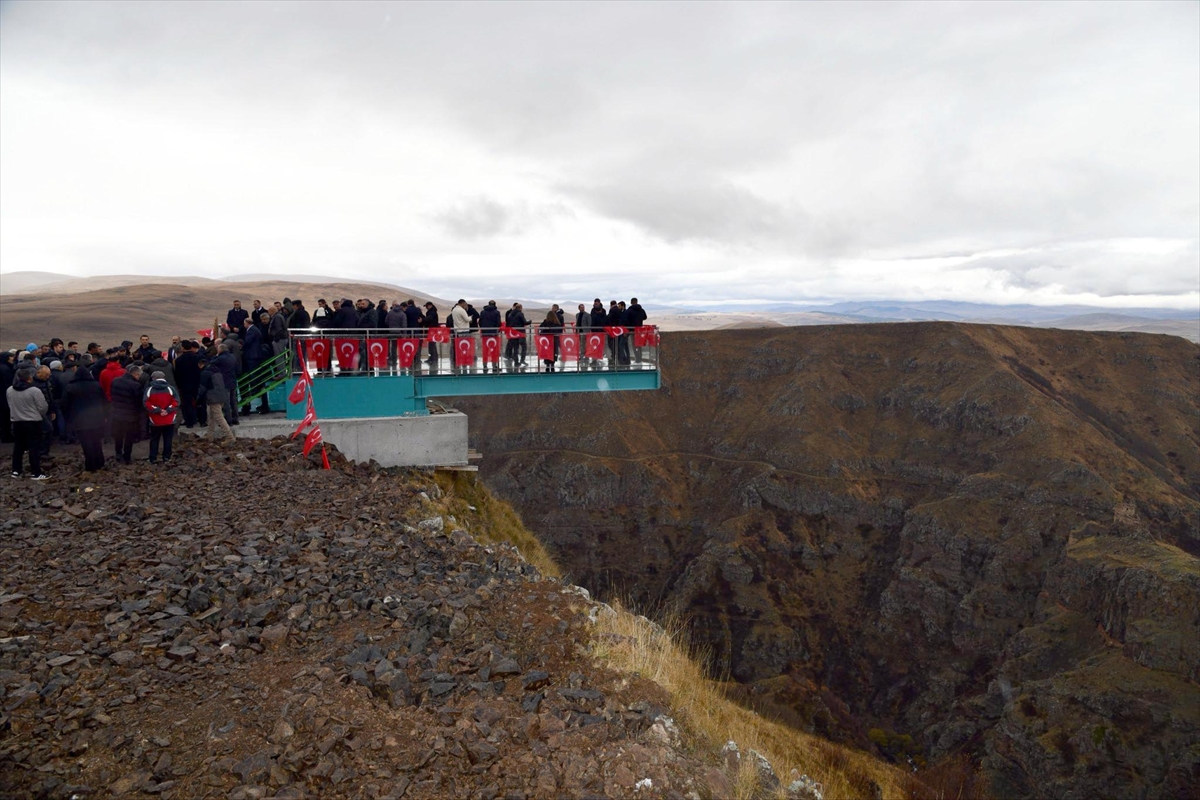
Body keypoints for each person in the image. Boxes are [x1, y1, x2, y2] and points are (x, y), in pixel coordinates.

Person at [62, 365, 106, 472]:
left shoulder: (70, 387)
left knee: (86, 443)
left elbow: (65, 405)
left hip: (80, 420)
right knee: (96, 441)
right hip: (97, 418)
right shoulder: (96, 385)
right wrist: (105, 415)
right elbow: (104, 401)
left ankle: (90, 465)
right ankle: (100, 462)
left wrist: (69, 417)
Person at [7, 368, 49, 479]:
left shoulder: (10, 390)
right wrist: (41, 415)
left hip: (16, 422)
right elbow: (43, 407)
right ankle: (36, 472)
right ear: (29, 378)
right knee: (34, 447)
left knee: (18, 447)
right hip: (32, 422)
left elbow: (10, 404)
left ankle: (16, 470)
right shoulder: (34, 391)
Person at [109, 365, 144, 464]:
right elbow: (138, 401)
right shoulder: (135, 385)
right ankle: (127, 456)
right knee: (129, 437)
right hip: (130, 415)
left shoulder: (115, 381)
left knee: (118, 435)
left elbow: (112, 395)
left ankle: (118, 453)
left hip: (116, 413)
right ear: (136, 374)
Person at [144, 371, 180, 464]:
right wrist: (167, 410)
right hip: (169, 419)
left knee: (154, 439)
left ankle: (153, 458)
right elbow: (176, 402)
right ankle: (166, 457)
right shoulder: (170, 388)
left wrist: (158, 410)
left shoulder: (149, 389)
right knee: (168, 438)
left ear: (153, 378)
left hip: (155, 419)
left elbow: (146, 403)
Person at [198, 357, 235, 441]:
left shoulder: (205, 373)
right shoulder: (217, 372)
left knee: (219, 417)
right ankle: (209, 434)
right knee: (211, 416)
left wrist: (199, 399)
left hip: (213, 398)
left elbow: (202, 388)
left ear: (201, 365)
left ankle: (229, 436)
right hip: (221, 396)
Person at [174, 341, 203, 428]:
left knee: (187, 404)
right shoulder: (197, 357)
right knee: (199, 402)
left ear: (182, 348)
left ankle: (189, 422)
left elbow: (177, 374)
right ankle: (201, 420)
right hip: (197, 384)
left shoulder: (179, 360)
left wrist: (179, 385)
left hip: (185, 385)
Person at [479, 300, 502, 374]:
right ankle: (494, 365)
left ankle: (485, 365)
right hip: (494, 334)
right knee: (494, 350)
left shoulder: (482, 312)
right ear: (495, 304)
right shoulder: (497, 312)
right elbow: (498, 323)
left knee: (485, 350)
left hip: (485, 334)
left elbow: (480, 322)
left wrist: (483, 329)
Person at [450, 299, 472, 374]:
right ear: (462, 303)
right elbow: (466, 319)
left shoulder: (454, 310)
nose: (465, 306)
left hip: (457, 331)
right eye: (465, 304)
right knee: (465, 349)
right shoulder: (462, 310)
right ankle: (464, 364)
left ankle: (458, 364)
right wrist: (470, 318)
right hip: (464, 331)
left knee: (458, 349)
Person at [422, 302, 440, 366]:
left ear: (430, 306)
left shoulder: (432, 312)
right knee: (432, 344)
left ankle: (433, 358)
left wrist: (422, 320)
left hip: (432, 330)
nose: (426, 307)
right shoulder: (432, 312)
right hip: (432, 330)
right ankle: (433, 357)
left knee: (432, 345)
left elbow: (429, 319)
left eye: (427, 306)